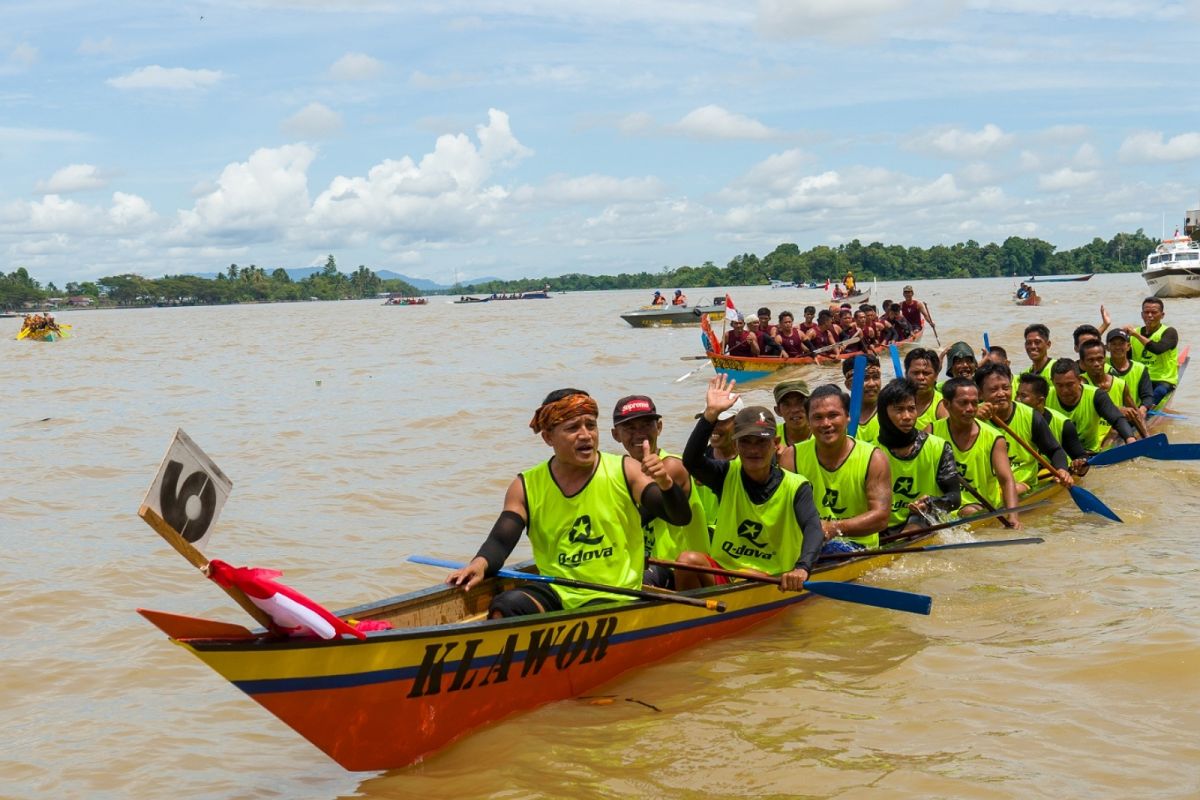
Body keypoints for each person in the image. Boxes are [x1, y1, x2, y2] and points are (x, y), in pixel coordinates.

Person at [445, 388, 691, 617]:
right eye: (573, 427)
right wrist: (479, 564)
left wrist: (666, 484)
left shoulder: (626, 470)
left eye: (591, 425)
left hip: (615, 593)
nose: (586, 435)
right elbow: (501, 539)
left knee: (591, 613)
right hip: (558, 589)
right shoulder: (526, 485)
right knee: (505, 605)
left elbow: (680, 517)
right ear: (548, 438)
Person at [676, 376, 825, 592]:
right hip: (725, 573)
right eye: (746, 442)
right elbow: (691, 461)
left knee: (750, 575)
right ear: (736, 445)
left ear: (775, 444)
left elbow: (814, 529)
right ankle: (688, 618)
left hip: (771, 577)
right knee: (685, 560)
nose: (753, 450)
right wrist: (710, 415)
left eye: (761, 442)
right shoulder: (726, 475)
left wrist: (802, 568)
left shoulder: (797, 486)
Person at [609, 395, 710, 589]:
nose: (639, 434)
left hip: (681, 569)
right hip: (649, 565)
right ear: (615, 435)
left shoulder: (671, 466)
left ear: (659, 427)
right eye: (630, 428)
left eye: (646, 425)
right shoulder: (622, 471)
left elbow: (629, 521)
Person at [788, 384, 891, 550]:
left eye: (833, 415)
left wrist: (833, 528)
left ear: (848, 416)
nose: (826, 423)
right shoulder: (790, 457)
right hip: (810, 545)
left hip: (857, 546)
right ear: (808, 421)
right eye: (818, 417)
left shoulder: (874, 458)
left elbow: (881, 517)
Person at [876, 378, 961, 534]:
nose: (907, 416)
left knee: (914, 524)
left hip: (924, 519)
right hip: (883, 526)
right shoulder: (871, 452)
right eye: (899, 410)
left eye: (911, 408)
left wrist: (930, 503)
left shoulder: (938, 447)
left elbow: (955, 498)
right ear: (884, 413)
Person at [932, 378, 1021, 527]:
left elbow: (1006, 481)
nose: (971, 409)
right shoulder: (931, 432)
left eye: (974, 403)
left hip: (978, 508)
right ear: (946, 404)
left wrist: (1013, 516)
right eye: (963, 403)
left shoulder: (994, 438)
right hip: (943, 507)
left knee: (969, 511)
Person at [975, 362, 1073, 493]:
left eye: (1005, 388)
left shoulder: (1031, 416)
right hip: (987, 488)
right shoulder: (971, 418)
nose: (1001, 394)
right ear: (980, 394)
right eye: (994, 390)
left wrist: (1062, 470)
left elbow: (1055, 450)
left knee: (1013, 490)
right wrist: (971, 419)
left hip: (1021, 486)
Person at [1046, 358, 1138, 451]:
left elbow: (1117, 419)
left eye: (1069, 385)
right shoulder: (1045, 396)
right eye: (1059, 385)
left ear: (1079, 380)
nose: (1064, 391)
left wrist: (1130, 438)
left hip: (1088, 452)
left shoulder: (1096, 395)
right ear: (1052, 382)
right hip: (1056, 452)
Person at [1016, 373, 1089, 473]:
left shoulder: (1064, 425)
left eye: (1023, 396)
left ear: (1040, 401)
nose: (1017, 400)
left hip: (1056, 474)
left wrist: (1079, 464)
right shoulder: (1013, 420)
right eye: (1017, 395)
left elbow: (1081, 456)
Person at [1078, 339, 1142, 438]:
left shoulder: (1120, 384)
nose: (1096, 364)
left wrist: (1148, 437)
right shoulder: (1080, 384)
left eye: (1100, 359)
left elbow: (1136, 415)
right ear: (1082, 363)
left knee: (1115, 432)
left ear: (1105, 359)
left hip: (1113, 435)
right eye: (1091, 360)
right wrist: (1117, 410)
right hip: (1089, 440)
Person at [1123, 297, 1180, 406]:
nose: (1149, 316)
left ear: (1162, 315)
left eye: (1154, 312)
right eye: (1146, 312)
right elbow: (1125, 357)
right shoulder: (1134, 333)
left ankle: (1145, 411)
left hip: (1162, 380)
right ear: (1141, 314)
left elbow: (1157, 349)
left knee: (1160, 392)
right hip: (1141, 379)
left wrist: (1135, 335)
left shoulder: (1170, 332)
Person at [1105, 328, 1154, 414]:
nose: (1118, 347)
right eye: (1114, 344)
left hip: (1132, 414)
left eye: (1121, 344)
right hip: (1108, 414)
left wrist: (1142, 409)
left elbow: (1147, 396)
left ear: (1128, 346)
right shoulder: (1101, 366)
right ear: (1107, 347)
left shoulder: (1140, 368)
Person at [841, 354, 883, 444]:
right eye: (865, 378)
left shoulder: (890, 411)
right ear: (848, 385)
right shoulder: (840, 418)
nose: (872, 384)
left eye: (876, 377)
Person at [904, 348, 945, 431]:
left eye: (926, 373)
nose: (920, 377)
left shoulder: (943, 406)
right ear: (906, 374)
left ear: (936, 376)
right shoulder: (897, 400)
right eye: (915, 373)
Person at [772, 379, 811, 449]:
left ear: (810, 405)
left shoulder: (822, 433)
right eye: (787, 404)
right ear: (778, 411)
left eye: (800, 402)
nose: (794, 410)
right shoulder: (771, 438)